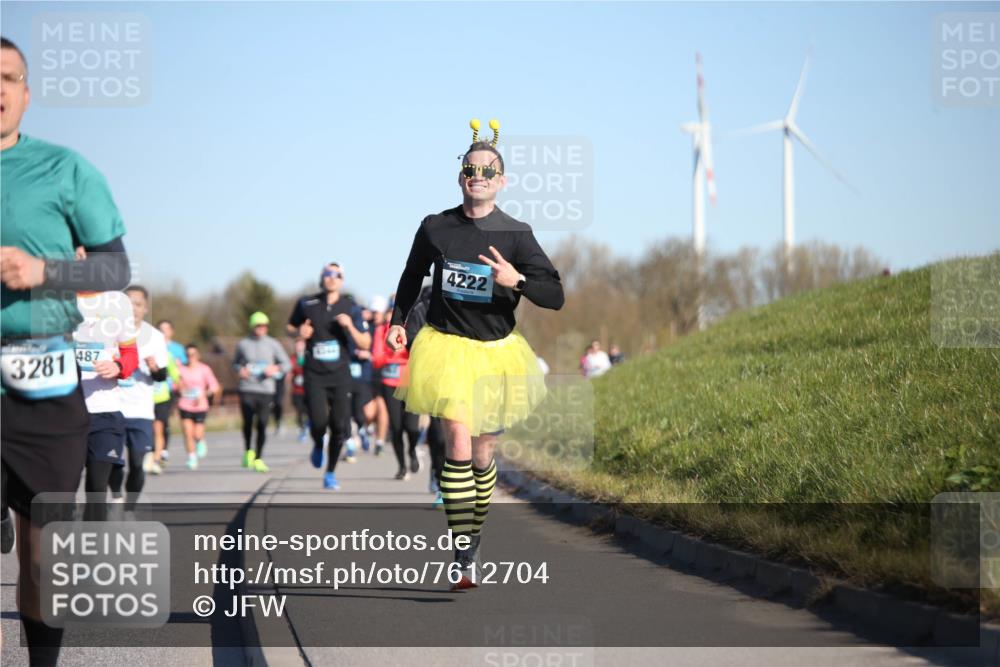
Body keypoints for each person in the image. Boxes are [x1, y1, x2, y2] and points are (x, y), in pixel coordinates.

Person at [387, 119, 564, 588]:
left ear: (501, 181)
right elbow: (409, 281)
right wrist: (397, 325)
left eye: (488, 170)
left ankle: (473, 533)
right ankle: (462, 554)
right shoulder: (435, 227)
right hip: (446, 348)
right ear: (460, 175)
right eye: (470, 168)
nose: (477, 176)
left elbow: (554, 294)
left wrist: (517, 281)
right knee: (459, 444)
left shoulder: (517, 234)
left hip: (498, 354)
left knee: (484, 454)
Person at [0, 35, 132, 665]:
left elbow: (113, 270)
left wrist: (43, 272)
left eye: (8, 77)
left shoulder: (65, 169)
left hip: (42, 383)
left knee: (43, 559)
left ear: (26, 93)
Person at [287, 263, 371, 489]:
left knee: (339, 426)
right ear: (321, 278)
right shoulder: (307, 303)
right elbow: (290, 327)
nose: (331, 278)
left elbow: (366, 342)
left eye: (336, 275)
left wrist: (349, 327)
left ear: (342, 280)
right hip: (314, 373)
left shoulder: (350, 307)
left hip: (340, 375)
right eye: (327, 274)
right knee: (319, 422)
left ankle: (330, 472)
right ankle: (316, 443)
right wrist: (299, 333)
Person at [74, 288, 139, 519]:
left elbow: (131, 354)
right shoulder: (55, 298)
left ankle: (91, 552)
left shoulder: (117, 301)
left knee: (96, 487)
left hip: (105, 413)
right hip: (64, 412)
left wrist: (119, 367)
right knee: (63, 490)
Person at [110, 285, 169, 506]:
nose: (133, 309)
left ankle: (130, 504)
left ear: (145, 308)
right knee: (113, 461)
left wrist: (155, 368)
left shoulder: (154, 337)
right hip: (112, 406)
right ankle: (116, 494)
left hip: (141, 410)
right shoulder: (108, 332)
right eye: (128, 304)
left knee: (136, 462)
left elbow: (162, 376)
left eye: (137, 304)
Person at [233, 311, 291, 472]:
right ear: (252, 326)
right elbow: (235, 363)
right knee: (248, 421)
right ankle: (248, 451)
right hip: (247, 387)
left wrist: (275, 368)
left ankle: (258, 457)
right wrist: (239, 370)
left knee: (263, 423)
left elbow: (287, 364)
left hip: (266, 389)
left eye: (264, 325)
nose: (261, 328)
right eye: (258, 325)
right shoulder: (243, 344)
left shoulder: (273, 344)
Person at [371, 300, 422, 480]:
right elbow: (377, 359)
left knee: (412, 427)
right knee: (396, 427)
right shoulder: (381, 330)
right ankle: (401, 466)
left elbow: (418, 353)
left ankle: (413, 450)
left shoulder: (415, 325)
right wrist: (393, 354)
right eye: (391, 310)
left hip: (411, 383)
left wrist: (396, 355)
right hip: (389, 382)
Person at [176, 343, 222, 470]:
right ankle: (192, 457)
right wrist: (179, 387)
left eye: (193, 354)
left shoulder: (204, 369)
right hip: (185, 404)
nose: (191, 357)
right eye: (188, 354)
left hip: (200, 406)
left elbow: (214, 385)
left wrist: (206, 393)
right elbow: (175, 384)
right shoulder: (180, 368)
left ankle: (200, 441)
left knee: (197, 434)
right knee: (187, 432)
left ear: (198, 355)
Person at [154, 318, 186, 465]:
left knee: (163, 421)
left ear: (171, 331)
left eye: (166, 329)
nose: (163, 332)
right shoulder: (149, 347)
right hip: (149, 391)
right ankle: (153, 450)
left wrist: (180, 384)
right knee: (151, 424)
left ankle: (162, 450)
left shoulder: (177, 349)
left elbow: (183, 369)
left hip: (168, 390)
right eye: (161, 329)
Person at [289, 338, 309, 441]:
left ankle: (307, 426)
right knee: (299, 411)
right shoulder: (293, 358)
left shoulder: (309, 356)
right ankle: (302, 429)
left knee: (309, 411)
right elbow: (289, 370)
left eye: (301, 345)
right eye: (297, 345)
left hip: (308, 390)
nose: (299, 347)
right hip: (297, 390)